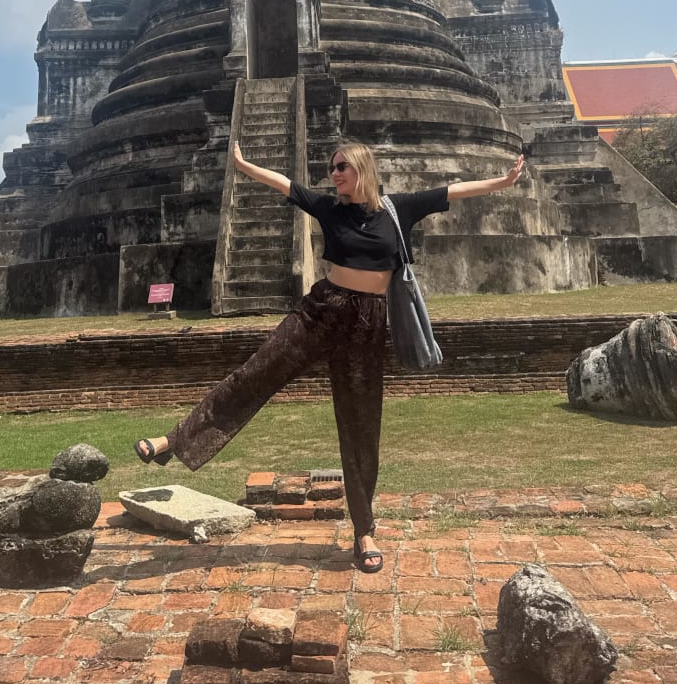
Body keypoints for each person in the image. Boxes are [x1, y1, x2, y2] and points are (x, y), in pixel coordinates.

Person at [134, 139, 525, 572]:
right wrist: (245, 166)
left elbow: (455, 190)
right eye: (332, 167)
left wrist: (505, 181)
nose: (335, 173)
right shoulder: (329, 208)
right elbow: (287, 185)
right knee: (254, 374)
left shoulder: (400, 208)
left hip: (367, 323)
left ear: (361, 168)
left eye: (342, 167)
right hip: (321, 310)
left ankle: (364, 531)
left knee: (361, 424)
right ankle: (176, 439)